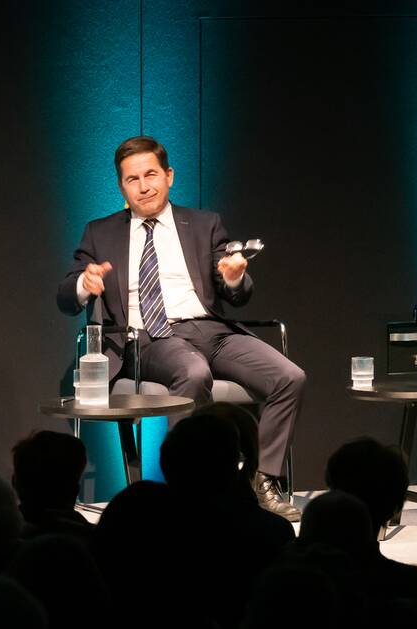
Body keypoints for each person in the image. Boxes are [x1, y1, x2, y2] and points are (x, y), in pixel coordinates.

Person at [57, 136, 305, 520]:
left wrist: (235, 277)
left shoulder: (204, 224)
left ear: (169, 176)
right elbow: (64, 296)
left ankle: (263, 481)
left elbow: (235, 294)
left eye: (151, 174)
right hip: (148, 338)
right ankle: (188, 492)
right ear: (121, 187)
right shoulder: (100, 232)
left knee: (289, 376)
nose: (144, 186)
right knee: (192, 372)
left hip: (212, 331)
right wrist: (83, 284)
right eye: (132, 179)